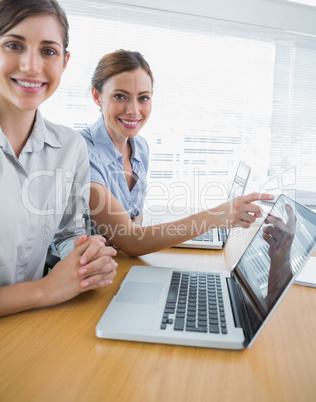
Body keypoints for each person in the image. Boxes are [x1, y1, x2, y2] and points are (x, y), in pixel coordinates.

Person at [80, 49, 274, 257]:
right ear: (97, 96)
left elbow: (134, 224)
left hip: (120, 263)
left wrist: (130, 233)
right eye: (120, 96)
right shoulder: (81, 152)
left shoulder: (140, 147)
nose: (133, 110)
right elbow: (131, 240)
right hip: (87, 275)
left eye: (143, 98)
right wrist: (217, 216)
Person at [0, 0, 117, 317]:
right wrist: (44, 290)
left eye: (48, 51)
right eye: (14, 45)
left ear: (64, 61)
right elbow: (47, 289)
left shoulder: (70, 146)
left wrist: (87, 258)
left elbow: (67, 235)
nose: (31, 65)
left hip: (35, 327)